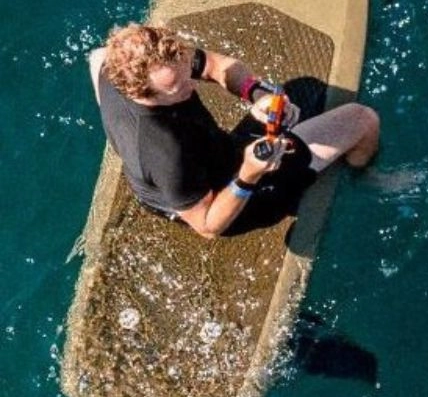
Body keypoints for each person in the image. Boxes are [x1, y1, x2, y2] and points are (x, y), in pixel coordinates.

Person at [91, 23, 381, 238]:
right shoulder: (166, 152)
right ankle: (362, 176)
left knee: (293, 94)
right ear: (143, 93)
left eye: (185, 71)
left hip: (179, 177)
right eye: (178, 87)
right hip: (221, 199)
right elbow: (208, 226)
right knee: (362, 121)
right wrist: (250, 173)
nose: (192, 84)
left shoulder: (118, 62)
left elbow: (214, 66)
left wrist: (255, 93)